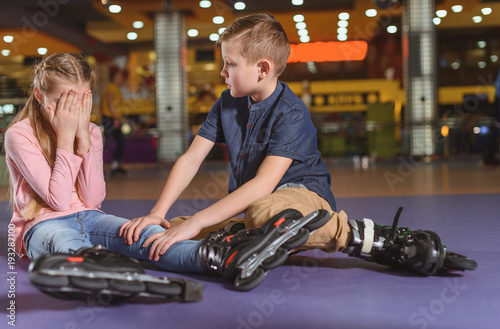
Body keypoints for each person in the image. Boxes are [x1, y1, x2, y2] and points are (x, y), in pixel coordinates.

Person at [122, 13, 476, 276]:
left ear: (262, 68)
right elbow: (190, 159)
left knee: (260, 213)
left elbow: (263, 184)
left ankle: (363, 235)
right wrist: (159, 212)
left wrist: (200, 222)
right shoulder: (226, 102)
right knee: (168, 229)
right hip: (260, 203)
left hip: (300, 196)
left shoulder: (291, 112)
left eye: (230, 64)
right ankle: (249, 235)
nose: (222, 73)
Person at [4, 52, 326, 294]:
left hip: (90, 215)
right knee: (62, 240)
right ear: (39, 95)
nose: (72, 111)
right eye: (63, 101)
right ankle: (98, 268)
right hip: (41, 224)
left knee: (147, 238)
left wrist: (85, 140)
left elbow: (92, 199)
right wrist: (65, 138)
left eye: (80, 101)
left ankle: (224, 258)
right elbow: (58, 201)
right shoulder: (20, 134)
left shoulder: (90, 133)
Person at [101, 65, 127, 175]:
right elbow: (110, 103)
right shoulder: (111, 88)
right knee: (105, 142)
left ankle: (116, 165)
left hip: (114, 118)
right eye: (119, 76)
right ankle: (96, 166)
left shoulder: (116, 88)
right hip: (109, 119)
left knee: (121, 141)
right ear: (114, 77)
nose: (121, 78)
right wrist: (115, 118)